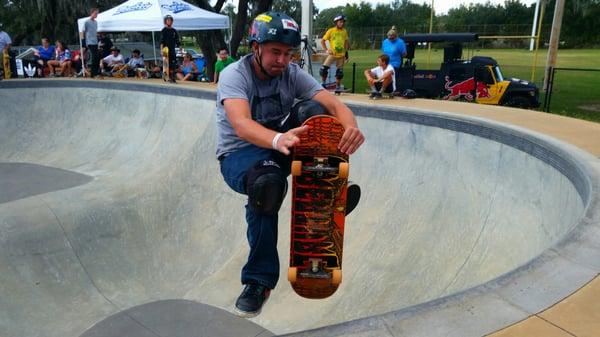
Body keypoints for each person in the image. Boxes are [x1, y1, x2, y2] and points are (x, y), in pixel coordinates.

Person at [216, 11, 364, 318]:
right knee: (267, 185)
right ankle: (258, 281)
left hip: (281, 145)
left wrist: (350, 127)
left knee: (314, 110)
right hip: (240, 157)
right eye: (274, 52)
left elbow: (335, 105)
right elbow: (242, 125)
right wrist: (277, 140)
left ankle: (326, 193)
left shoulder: (292, 72)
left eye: (287, 54)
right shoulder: (235, 74)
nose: (282, 61)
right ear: (255, 47)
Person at [319, 14, 349, 90]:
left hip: (341, 55)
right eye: (340, 22)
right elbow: (322, 41)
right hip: (332, 54)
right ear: (336, 22)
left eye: (343, 22)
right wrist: (326, 50)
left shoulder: (344, 31)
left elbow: (346, 42)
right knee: (323, 69)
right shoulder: (331, 31)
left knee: (339, 73)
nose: (342, 23)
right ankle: (323, 84)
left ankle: (338, 87)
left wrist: (346, 54)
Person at [381, 26, 406, 92]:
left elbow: (404, 54)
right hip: (385, 63)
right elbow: (383, 52)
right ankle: (385, 90)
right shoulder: (385, 42)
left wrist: (398, 54)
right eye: (389, 38)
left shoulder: (400, 42)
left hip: (395, 63)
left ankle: (391, 91)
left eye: (392, 38)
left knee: (390, 77)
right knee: (383, 77)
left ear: (395, 36)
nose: (390, 39)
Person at [160, 14, 181, 83]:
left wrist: (180, 47)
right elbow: (161, 41)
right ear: (165, 21)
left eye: (171, 20)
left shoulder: (174, 31)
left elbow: (177, 40)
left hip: (172, 49)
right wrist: (161, 50)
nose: (169, 22)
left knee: (173, 64)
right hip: (165, 49)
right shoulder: (164, 30)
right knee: (166, 64)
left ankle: (172, 77)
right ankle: (166, 77)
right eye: (168, 20)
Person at [81, 7, 100, 78]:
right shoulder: (86, 22)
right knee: (94, 56)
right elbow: (82, 32)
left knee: (97, 57)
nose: (96, 15)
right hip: (89, 42)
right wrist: (83, 43)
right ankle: (93, 73)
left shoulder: (96, 22)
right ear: (91, 13)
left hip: (95, 42)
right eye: (95, 13)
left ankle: (95, 73)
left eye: (97, 13)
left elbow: (94, 32)